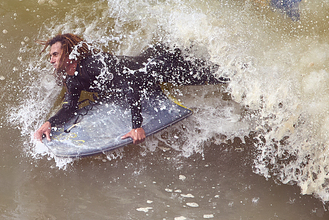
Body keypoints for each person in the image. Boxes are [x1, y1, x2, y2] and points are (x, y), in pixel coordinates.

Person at [33, 33, 224, 145]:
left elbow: (132, 83)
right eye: (51, 55)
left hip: (160, 64)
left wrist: (136, 125)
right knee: (212, 70)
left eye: (55, 54)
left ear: (68, 54)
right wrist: (49, 123)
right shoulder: (74, 79)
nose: (51, 59)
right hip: (150, 67)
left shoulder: (94, 64)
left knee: (219, 75)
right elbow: (70, 107)